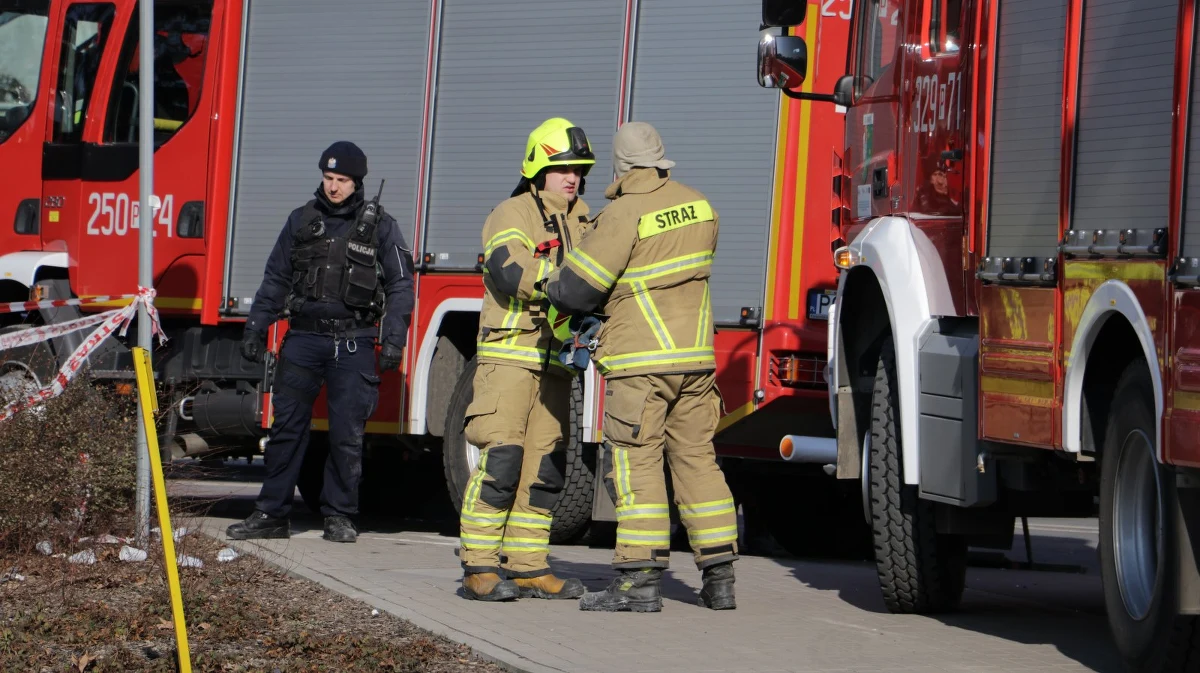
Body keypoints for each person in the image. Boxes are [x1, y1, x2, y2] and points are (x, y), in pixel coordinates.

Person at [542, 121, 738, 613]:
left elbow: (578, 289)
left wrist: (553, 283)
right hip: (695, 360)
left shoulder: (625, 213)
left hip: (641, 363)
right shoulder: (702, 206)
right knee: (697, 460)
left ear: (622, 166)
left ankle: (638, 582)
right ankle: (719, 580)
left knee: (636, 463)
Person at [227, 140, 415, 544]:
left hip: (353, 342)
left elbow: (401, 284)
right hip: (304, 340)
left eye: (341, 180)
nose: (333, 187)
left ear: (357, 182)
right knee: (286, 430)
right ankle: (271, 513)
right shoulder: (301, 220)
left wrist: (394, 338)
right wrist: (256, 326)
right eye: (328, 178)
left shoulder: (381, 225)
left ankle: (340, 516)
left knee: (346, 436)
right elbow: (276, 277)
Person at [456, 117, 595, 602]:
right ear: (539, 167)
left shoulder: (585, 219)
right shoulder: (511, 212)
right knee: (503, 460)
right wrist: (566, 284)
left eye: (578, 169)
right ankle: (478, 565)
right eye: (563, 169)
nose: (572, 178)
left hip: (557, 363)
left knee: (546, 469)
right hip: (510, 358)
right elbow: (508, 269)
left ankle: (530, 565)